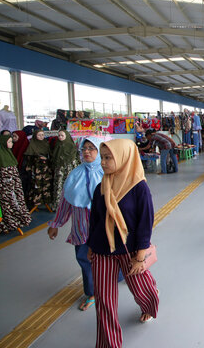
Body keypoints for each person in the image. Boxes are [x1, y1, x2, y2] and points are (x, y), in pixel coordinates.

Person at [87, 139, 159, 347]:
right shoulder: (102, 187)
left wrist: (140, 256)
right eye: (103, 157)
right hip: (102, 249)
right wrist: (91, 245)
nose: (103, 162)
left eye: (108, 157)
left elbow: (146, 222)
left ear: (124, 158)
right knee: (104, 301)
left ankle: (150, 306)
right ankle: (109, 344)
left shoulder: (139, 188)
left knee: (141, 289)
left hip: (130, 251)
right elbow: (95, 219)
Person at [47, 137, 104, 311]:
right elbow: (66, 201)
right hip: (81, 228)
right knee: (85, 259)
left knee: (108, 257)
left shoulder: (107, 172)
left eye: (91, 148)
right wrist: (56, 223)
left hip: (104, 228)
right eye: (84, 148)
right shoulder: (74, 174)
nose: (86, 151)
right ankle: (92, 292)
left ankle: (114, 279)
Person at [0, 135, 32, 236]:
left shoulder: (8, 153)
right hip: (7, 187)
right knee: (9, 204)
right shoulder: (0, 156)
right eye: (10, 142)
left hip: (14, 185)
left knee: (17, 202)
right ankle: (9, 224)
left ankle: (18, 221)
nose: (12, 144)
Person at [50, 129, 81, 211]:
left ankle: (70, 206)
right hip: (59, 170)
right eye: (59, 135)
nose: (60, 137)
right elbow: (54, 158)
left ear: (66, 136)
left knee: (69, 187)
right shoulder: (57, 145)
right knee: (59, 186)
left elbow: (75, 160)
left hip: (69, 170)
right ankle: (58, 206)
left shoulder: (71, 147)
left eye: (62, 135)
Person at [24, 128, 53, 211]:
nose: (41, 137)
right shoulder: (32, 145)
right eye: (39, 135)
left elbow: (50, 156)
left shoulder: (46, 144)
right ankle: (35, 203)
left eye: (43, 135)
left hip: (46, 170)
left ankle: (46, 201)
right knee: (36, 187)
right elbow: (29, 159)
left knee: (46, 186)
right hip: (36, 170)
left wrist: (46, 159)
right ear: (35, 136)